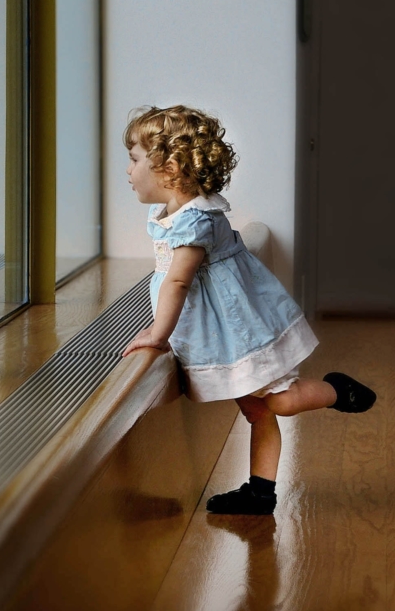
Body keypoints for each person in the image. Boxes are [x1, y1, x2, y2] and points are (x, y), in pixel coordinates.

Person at [120, 105, 376, 515]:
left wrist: (157, 333)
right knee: (256, 409)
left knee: (282, 402)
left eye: (133, 160)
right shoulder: (172, 215)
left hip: (240, 333)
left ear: (168, 169)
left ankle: (336, 390)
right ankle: (260, 491)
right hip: (219, 336)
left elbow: (178, 281)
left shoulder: (196, 222)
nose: (128, 171)